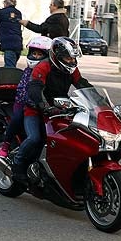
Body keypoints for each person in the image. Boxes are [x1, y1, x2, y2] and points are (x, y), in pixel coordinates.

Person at [12, 37, 92, 182]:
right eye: (68, 58)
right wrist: (44, 106)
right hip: (36, 111)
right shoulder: (43, 67)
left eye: (73, 58)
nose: (71, 61)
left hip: (61, 110)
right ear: (57, 56)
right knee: (34, 138)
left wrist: (98, 101)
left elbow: (81, 83)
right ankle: (17, 164)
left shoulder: (71, 69)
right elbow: (35, 89)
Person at [0, 36, 51, 159]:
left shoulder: (48, 71)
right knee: (17, 118)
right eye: (34, 53)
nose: (36, 57)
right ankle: (6, 144)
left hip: (41, 106)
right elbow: (24, 90)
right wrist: (31, 101)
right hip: (23, 104)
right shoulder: (28, 72)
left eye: (39, 54)